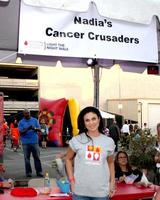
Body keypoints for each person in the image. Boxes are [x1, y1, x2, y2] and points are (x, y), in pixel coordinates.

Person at [65, 106, 115, 200]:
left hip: (101, 193)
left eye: (93, 119)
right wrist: (71, 181)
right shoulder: (77, 140)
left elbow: (110, 162)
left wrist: (112, 183)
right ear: (84, 123)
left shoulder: (108, 141)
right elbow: (68, 159)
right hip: (80, 192)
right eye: (87, 120)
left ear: (99, 119)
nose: (91, 123)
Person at [18, 109, 43, 177]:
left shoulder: (34, 120)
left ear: (30, 113)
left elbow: (39, 129)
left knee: (37, 157)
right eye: (26, 113)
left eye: (28, 113)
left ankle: (39, 172)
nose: (27, 114)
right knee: (27, 158)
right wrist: (28, 128)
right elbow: (21, 132)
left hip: (34, 141)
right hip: (25, 142)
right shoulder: (21, 122)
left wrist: (34, 128)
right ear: (24, 114)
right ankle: (28, 173)